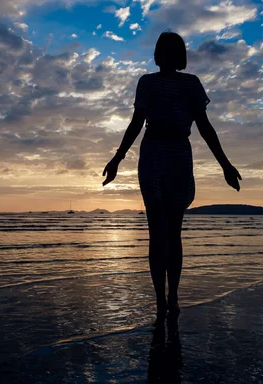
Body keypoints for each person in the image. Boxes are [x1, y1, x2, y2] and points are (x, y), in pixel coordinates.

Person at [102, 31, 242, 325]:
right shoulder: (147, 82)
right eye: (162, 49)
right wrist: (117, 158)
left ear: (174, 55)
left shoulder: (191, 84)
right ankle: (162, 299)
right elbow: (136, 124)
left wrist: (226, 164)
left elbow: (205, 127)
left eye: (168, 49)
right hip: (154, 154)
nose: (164, 54)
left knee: (171, 233)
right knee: (160, 233)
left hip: (178, 154)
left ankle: (171, 296)